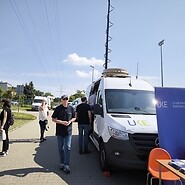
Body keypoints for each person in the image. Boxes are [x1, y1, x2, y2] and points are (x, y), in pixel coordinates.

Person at [51, 95, 76, 174]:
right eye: (63, 99)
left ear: (68, 100)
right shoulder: (58, 108)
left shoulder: (71, 108)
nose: (65, 100)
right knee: (60, 148)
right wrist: (62, 122)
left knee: (68, 147)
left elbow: (74, 117)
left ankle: (66, 164)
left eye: (66, 99)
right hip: (60, 132)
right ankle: (62, 162)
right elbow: (53, 119)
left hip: (68, 131)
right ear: (61, 100)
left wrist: (70, 121)